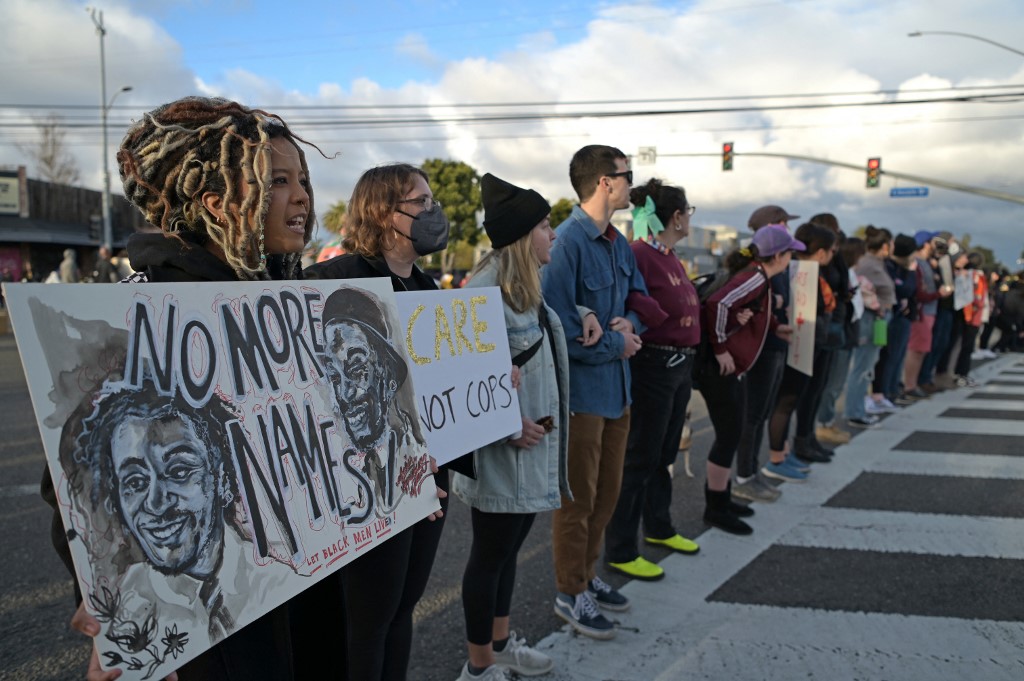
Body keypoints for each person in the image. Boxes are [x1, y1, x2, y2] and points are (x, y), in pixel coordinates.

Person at [50, 95, 319, 681]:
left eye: (301, 178)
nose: (301, 196)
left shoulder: (280, 303)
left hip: (282, 587)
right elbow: (70, 476)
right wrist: (106, 593)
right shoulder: (145, 317)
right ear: (218, 203)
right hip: (198, 632)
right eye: (277, 181)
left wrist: (395, 488)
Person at [302, 162, 455, 681]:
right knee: (367, 621)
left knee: (402, 609)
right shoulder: (336, 279)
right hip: (369, 478)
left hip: (427, 473)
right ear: (384, 213)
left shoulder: (427, 285)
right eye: (423, 203)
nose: (435, 213)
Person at [69, 379, 296, 656]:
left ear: (222, 478)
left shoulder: (280, 575)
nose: (156, 503)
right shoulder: (125, 605)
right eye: (135, 482)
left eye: (178, 472)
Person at [451, 173, 573, 681]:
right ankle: (479, 667)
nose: (554, 234)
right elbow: (459, 374)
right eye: (546, 225)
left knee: (505, 555)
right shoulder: (483, 290)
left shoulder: (520, 285)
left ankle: (500, 645)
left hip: (530, 450)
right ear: (523, 235)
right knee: (490, 556)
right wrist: (505, 425)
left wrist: (583, 316)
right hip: (505, 454)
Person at [541, 144, 647, 640]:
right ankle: (570, 591)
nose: (633, 183)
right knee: (577, 502)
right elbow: (559, 328)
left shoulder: (617, 241)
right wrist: (616, 342)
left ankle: (587, 576)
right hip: (581, 397)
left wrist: (634, 321)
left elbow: (640, 298)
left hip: (617, 392)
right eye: (628, 174)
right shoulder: (565, 243)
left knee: (607, 496)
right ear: (605, 182)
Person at [604, 179, 701, 582]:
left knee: (664, 454)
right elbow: (633, 303)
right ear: (677, 216)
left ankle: (659, 527)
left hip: (679, 368)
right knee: (640, 458)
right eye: (688, 211)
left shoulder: (669, 255)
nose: (690, 218)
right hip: (654, 367)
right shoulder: (641, 253)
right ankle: (622, 548)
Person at [698, 225, 799, 534]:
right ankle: (715, 507)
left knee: (733, 430)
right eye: (790, 252)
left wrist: (774, 327)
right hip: (718, 367)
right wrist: (720, 349)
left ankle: (722, 499)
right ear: (778, 256)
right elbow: (719, 304)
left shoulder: (756, 274)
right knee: (730, 434)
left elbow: (751, 310)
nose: (791, 258)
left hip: (726, 366)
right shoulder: (756, 277)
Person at [732, 205, 800, 504]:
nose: (789, 228)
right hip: (761, 348)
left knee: (759, 414)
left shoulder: (774, 267)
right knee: (752, 415)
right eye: (784, 224)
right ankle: (744, 476)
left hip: (774, 342)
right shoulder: (757, 271)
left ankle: (752, 472)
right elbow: (724, 305)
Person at [761, 223, 836, 483]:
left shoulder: (805, 272)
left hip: (803, 343)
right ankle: (776, 458)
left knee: (791, 401)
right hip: (793, 343)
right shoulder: (798, 273)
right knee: (785, 402)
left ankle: (783, 451)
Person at [844, 226, 895, 427]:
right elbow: (859, 289)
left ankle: (857, 409)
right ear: (885, 246)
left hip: (877, 319)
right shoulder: (867, 264)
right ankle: (854, 411)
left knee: (867, 366)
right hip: (869, 319)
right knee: (863, 367)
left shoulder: (877, 264)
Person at [902, 231, 950, 400]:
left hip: (928, 311)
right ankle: (910, 385)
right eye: (931, 242)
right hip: (922, 311)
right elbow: (920, 292)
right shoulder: (918, 264)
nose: (933, 245)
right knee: (916, 350)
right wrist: (938, 294)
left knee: (921, 350)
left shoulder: (926, 263)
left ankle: (913, 384)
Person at [952, 252, 988, 386]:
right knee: (966, 347)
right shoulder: (976, 276)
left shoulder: (966, 274)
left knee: (962, 347)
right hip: (972, 316)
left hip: (966, 313)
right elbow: (977, 297)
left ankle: (959, 374)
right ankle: (962, 374)